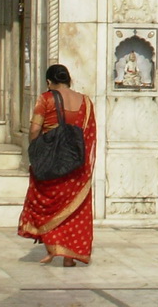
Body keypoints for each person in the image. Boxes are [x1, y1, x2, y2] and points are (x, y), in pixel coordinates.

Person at [18, 64, 97, 266]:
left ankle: (53, 247)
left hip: (51, 161)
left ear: (48, 82)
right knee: (74, 209)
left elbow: (35, 128)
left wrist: (34, 149)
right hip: (75, 164)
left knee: (45, 204)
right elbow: (88, 136)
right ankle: (69, 256)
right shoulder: (86, 102)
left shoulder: (46, 99)